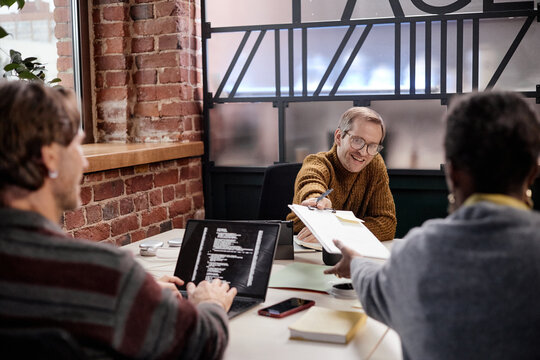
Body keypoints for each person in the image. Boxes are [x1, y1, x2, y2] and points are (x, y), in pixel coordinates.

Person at [0, 81, 237, 359]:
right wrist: (210, 304)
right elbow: (202, 344)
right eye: (77, 145)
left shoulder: (107, 282)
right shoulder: (104, 275)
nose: (84, 163)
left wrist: (136, 296)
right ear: (50, 158)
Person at [325, 91, 540, 360]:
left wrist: (355, 263)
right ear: (533, 171)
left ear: (452, 173)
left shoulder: (418, 252)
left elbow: (373, 287)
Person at [286, 107, 396, 242]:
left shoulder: (374, 164)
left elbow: (387, 224)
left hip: (346, 250)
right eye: (357, 141)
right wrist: (317, 200)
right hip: (302, 248)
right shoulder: (316, 162)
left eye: (372, 146)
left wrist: (338, 232)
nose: (363, 152)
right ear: (339, 137)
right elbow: (311, 184)